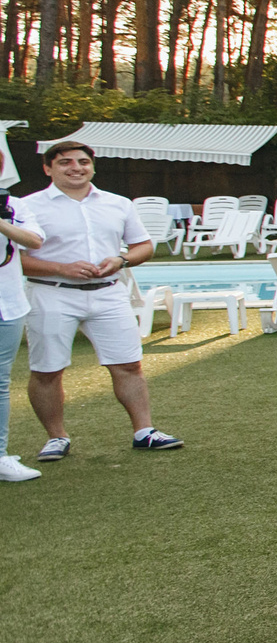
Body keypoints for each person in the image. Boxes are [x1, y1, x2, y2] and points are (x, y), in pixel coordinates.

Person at [19, 141, 181, 457]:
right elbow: (15, 258)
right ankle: (56, 437)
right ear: (47, 168)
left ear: (93, 166)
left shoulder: (117, 204)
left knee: (129, 364)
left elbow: (143, 246)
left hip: (109, 294)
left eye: (83, 161)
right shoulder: (28, 207)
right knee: (47, 370)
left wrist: (121, 260)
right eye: (65, 162)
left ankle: (144, 431)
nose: (75, 167)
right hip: (51, 294)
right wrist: (61, 268)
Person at [0, 192, 44, 481]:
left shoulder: (13, 205)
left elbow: (34, 241)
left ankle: (0, 456)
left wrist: (2, 223)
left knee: (0, 382)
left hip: (8, 305)